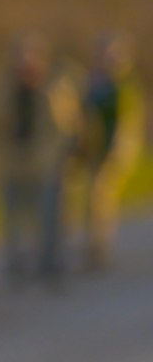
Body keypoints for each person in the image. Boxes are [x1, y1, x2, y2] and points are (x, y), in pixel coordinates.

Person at [0, 34, 72, 286]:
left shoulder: (54, 88)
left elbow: (65, 125)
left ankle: (50, 262)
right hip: (11, 162)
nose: (25, 63)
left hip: (45, 162)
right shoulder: (2, 88)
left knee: (48, 216)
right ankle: (16, 265)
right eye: (20, 57)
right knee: (14, 217)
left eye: (31, 56)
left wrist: (60, 157)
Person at [77, 33, 137, 274]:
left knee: (100, 198)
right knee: (94, 199)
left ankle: (98, 248)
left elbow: (127, 122)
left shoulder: (122, 85)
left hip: (114, 150)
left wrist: (118, 151)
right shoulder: (93, 82)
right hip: (93, 148)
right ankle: (94, 245)